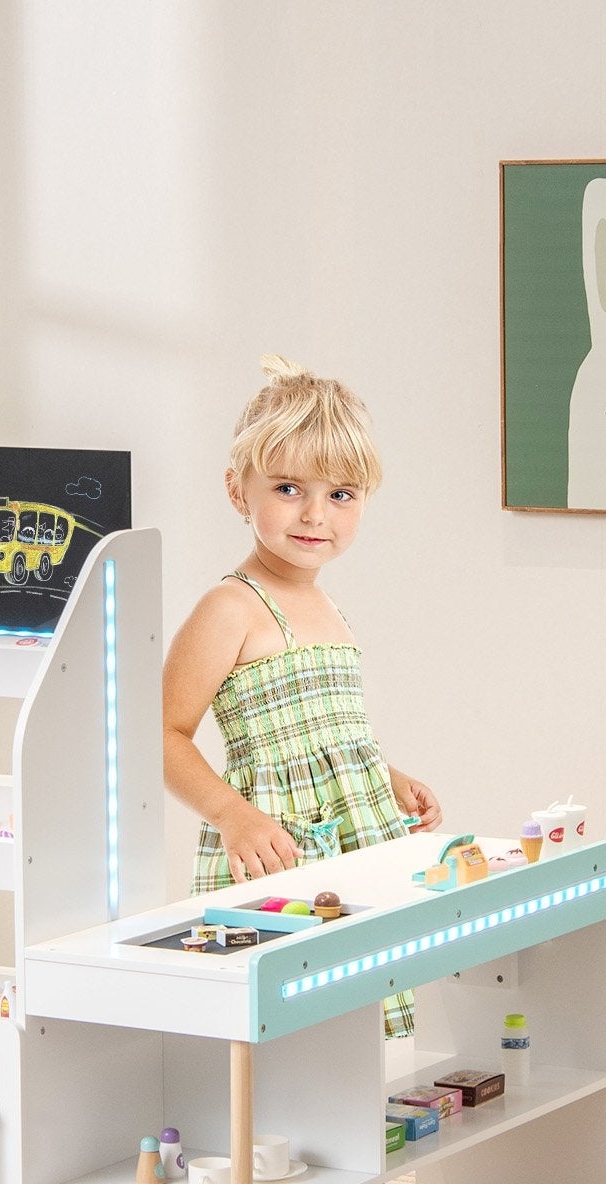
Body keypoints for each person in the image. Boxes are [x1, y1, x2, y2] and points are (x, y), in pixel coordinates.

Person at [163, 354, 442, 1036]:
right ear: (238, 490)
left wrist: (387, 777)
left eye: (342, 495)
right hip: (277, 851)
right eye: (289, 488)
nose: (317, 514)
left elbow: (323, 733)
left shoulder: (328, 607)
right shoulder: (232, 606)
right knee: (280, 1020)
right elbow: (160, 733)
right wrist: (232, 815)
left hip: (350, 844)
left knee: (349, 1018)